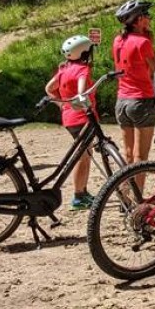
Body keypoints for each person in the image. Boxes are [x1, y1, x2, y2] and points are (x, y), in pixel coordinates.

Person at [44, 35, 98, 211]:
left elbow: (49, 88)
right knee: (83, 156)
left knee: (86, 154)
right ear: (84, 52)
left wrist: (61, 104)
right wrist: (86, 95)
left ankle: (83, 192)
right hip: (82, 118)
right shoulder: (83, 69)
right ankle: (78, 196)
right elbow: (81, 92)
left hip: (69, 118)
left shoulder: (64, 69)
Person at [112, 0, 155, 166]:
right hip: (142, 100)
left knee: (129, 154)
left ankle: (127, 184)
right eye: (147, 15)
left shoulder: (118, 40)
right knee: (141, 157)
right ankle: (138, 185)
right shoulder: (143, 42)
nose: (150, 18)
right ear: (138, 19)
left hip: (122, 101)